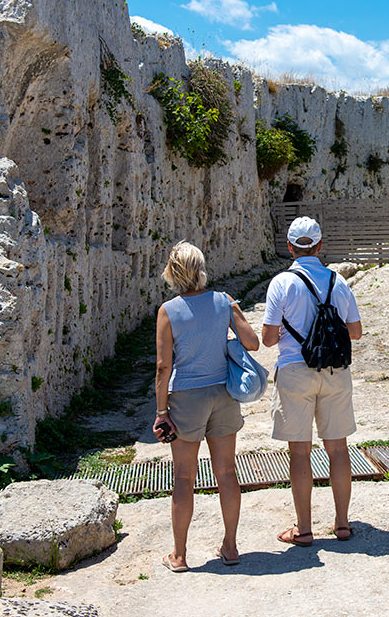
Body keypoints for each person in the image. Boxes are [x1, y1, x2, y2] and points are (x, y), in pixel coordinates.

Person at [153, 241, 259, 571]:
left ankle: (180, 556)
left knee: (184, 477)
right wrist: (233, 312)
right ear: (201, 269)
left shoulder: (168, 311)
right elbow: (252, 343)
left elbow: (162, 367)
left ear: (172, 273)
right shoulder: (223, 301)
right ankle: (230, 547)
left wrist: (161, 412)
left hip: (186, 397)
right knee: (226, 472)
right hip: (223, 395)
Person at [262, 216, 363, 546]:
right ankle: (343, 524)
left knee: (301, 453)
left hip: (294, 371)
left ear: (290, 247)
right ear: (320, 246)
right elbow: (356, 331)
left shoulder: (281, 283)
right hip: (335, 371)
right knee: (337, 449)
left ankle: (304, 529)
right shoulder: (338, 282)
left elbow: (267, 339)